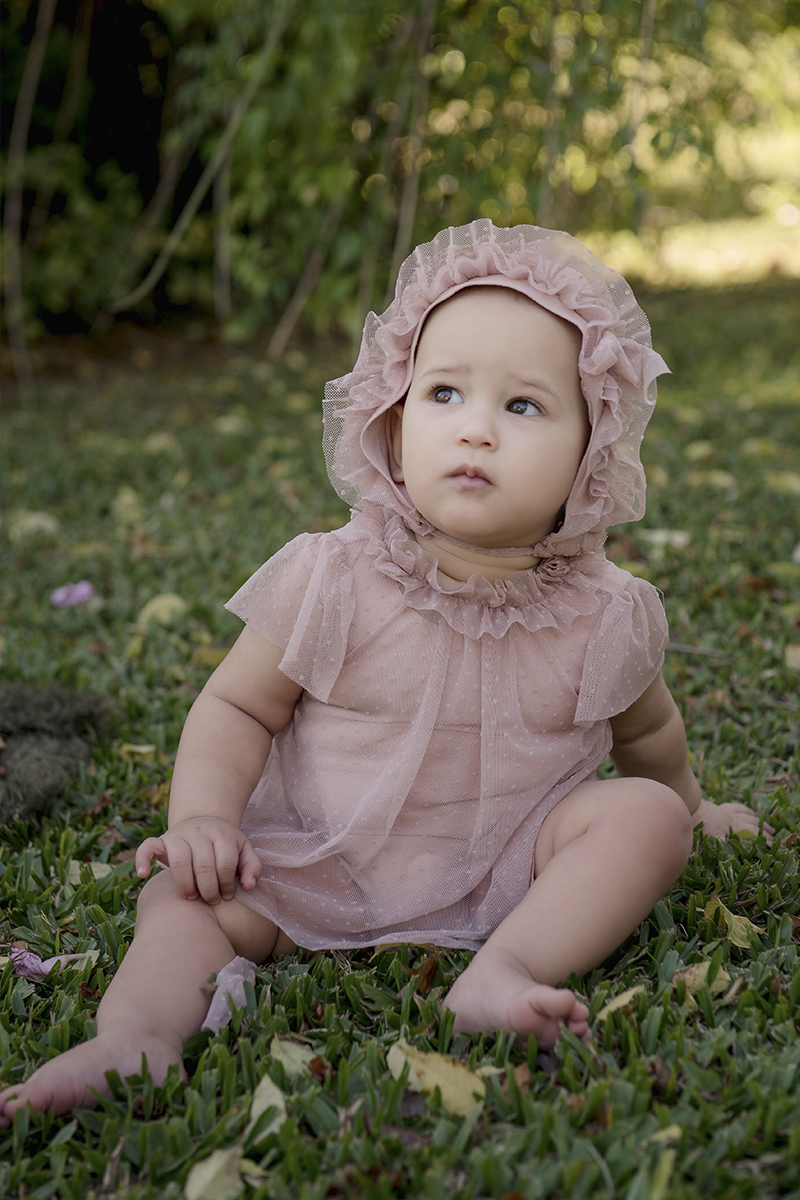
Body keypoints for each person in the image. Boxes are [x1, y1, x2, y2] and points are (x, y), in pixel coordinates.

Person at [0, 220, 770, 1126]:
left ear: (589, 457)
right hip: (315, 863)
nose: (476, 430)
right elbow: (239, 708)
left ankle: (506, 969)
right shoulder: (336, 577)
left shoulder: (606, 615)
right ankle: (136, 1038)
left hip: (512, 868)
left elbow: (649, 737)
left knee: (644, 819)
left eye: (523, 407)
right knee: (184, 895)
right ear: (395, 424)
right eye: (444, 393)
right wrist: (204, 819)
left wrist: (691, 803)